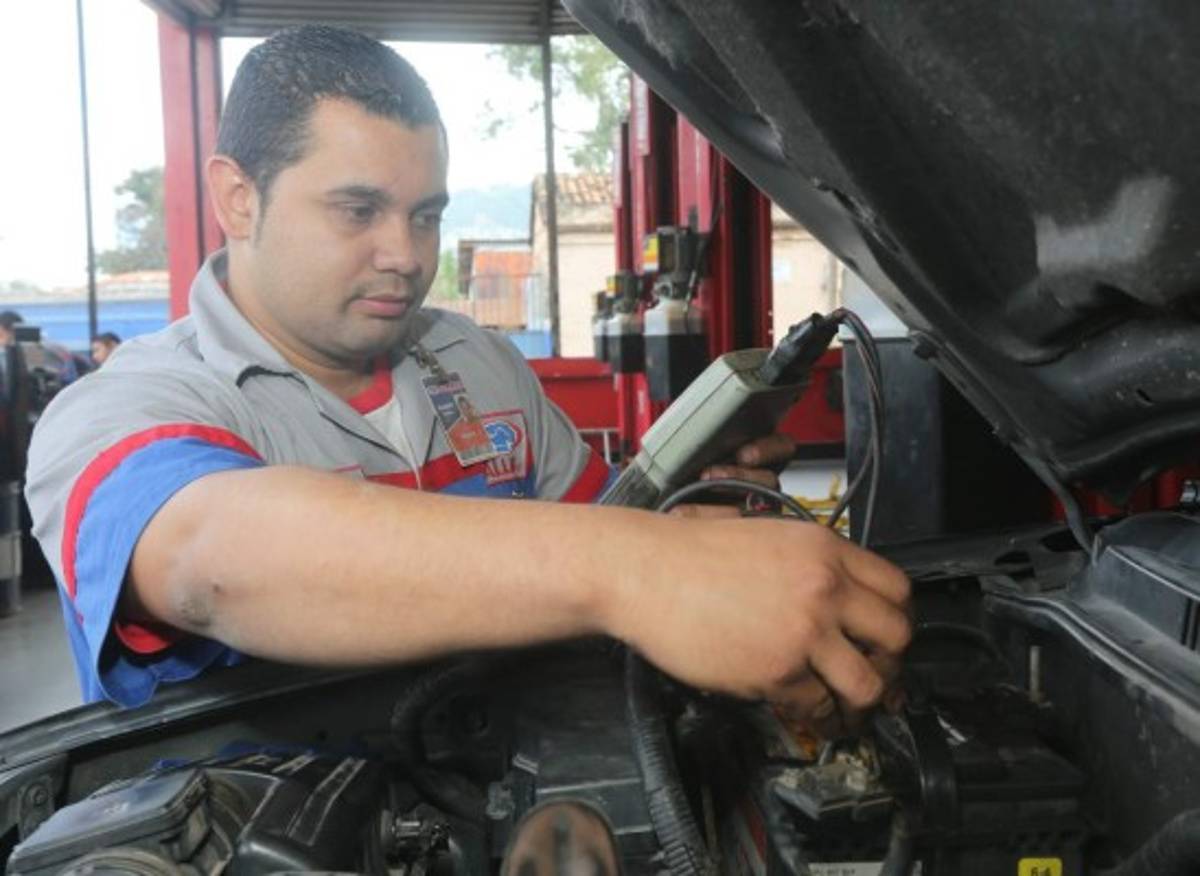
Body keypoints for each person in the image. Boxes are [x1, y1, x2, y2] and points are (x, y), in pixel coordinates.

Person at [24, 26, 910, 730]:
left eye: (426, 215)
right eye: (358, 209)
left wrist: (688, 523)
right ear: (237, 198)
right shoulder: (120, 408)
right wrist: (642, 568)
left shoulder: (477, 364)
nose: (406, 256)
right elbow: (208, 558)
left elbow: (600, 528)